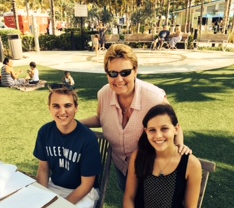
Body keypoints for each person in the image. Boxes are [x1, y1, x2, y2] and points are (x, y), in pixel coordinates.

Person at [80, 44, 191, 192]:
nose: (119, 79)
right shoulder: (103, 94)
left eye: (125, 72)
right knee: (128, 197)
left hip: (150, 165)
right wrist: (75, 123)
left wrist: (179, 145)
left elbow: (174, 125)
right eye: (113, 73)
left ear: (135, 71)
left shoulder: (154, 97)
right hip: (121, 165)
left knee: (149, 206)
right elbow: (102, 119)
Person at [122, 104, 202, 208]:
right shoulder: (140, 156)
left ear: (176, 129)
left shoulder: (190, 164)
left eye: (164, 128)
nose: (158, 135)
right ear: (146, 132)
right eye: (152, 130)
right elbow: (129, 196)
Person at [33, 85, 102, 208]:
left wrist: (62, 206)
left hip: (82, 192)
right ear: (49, 108)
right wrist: (41, 197)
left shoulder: (88, 139)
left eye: (68, 105)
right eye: (56, 106)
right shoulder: (45, 132)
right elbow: (43, 169)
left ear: (76, 108)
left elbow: (86, 185)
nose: (62, 111)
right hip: (54, 185)